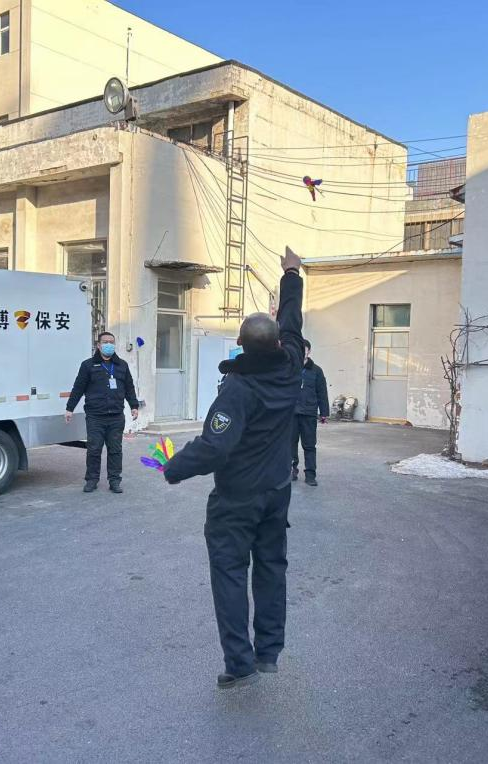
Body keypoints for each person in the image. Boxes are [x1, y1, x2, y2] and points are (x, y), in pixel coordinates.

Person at [164, 247, 305, 689]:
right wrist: (291, 274)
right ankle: (269, 652)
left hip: (238, 499)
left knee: (229, 573)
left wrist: (173, 467)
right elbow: (293, 321)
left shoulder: (238, 391)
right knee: (271, 568)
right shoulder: (291, 368)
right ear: (279, 344)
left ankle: (240, 664)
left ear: (240, 345)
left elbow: (214, 447)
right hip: (277, 490)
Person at [65, 331, 139, 494]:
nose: (109, 345)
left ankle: (114, 480)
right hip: (95, 417)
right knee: (94, 449)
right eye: (105, 342)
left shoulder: (122, 365)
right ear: (98, 345)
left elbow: (129, 387)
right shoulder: (88, 365)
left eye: (111, 342)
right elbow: (78, 388)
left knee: (115, 450)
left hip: (116, 417)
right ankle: (92, 480)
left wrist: (134, 405)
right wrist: (70, 408)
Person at [291, 340, 330, 487]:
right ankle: (291, 471)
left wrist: (324, 412)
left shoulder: (316, 371)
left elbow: (322, 392)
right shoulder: (289, 368)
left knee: (309, 445)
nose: (302, 352)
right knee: (290, 444)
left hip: (309, 413)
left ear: (309, 351)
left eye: (305, 349)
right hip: (291, 413)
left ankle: (310, 475)